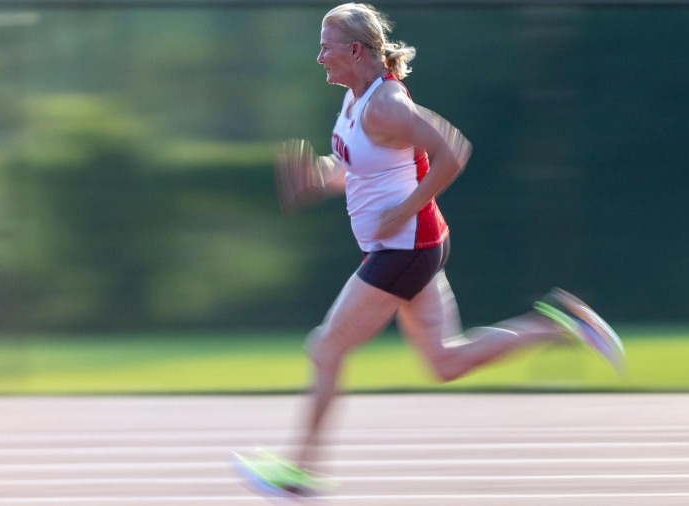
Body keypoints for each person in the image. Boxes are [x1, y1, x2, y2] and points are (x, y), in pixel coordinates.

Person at [232, 3, 625, 499]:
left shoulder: (386, 104)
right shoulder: (358, 100)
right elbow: (359, 165)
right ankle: (559, 323)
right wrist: (319, 178)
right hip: (409, 246)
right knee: (444, 362)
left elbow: (452, 149)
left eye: (326, 46)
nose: (319, 57)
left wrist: (407, 208)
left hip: (404, 249)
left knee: (326, 346)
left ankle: (299, 471)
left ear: (355, 50)